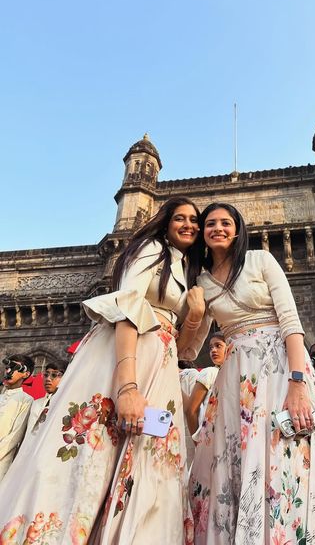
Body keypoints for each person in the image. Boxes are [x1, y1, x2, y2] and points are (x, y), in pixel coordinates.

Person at [0, 197, 205, 545]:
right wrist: (127, 386)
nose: (189, 225)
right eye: (180, 218)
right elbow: (127, 309)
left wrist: (197, 314)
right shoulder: (151, 249)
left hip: (162, 367)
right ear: (164, 223)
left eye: (195, 221)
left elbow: (185, 350)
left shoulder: (187, 268)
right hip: (126, 360)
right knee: (94, 453)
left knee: (147, 459)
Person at [188, 203, 315, 544]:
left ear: (238, 230)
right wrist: (194, 312)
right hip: (236, 380)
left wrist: (297, 384)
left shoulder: (261, 260)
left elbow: (291, 324)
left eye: (226, 222)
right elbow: (187, 349)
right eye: (210, 223)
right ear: (203, 233)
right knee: (235, 461)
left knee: (287, 461)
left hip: (281, 371)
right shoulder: (201, 282)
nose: (218, 228)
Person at [186, 331, 227, 440]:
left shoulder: (235, 377)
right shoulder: (210, 372)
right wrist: (197, 442)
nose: (213, 350)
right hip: (209, 439)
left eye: (218, 346)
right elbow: (191, 411)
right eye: (211, 348)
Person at [0, 354, 34, 481]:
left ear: (26, 373)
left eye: (14, 367)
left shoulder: (26, 400)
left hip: (3, 461)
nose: (9, 370)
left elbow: (15, 436)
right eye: (8, 366)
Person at [26, 359, 68, 433]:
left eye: (54, 375)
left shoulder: (68, 405)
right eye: (46, 375)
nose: (48, 379)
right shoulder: (35, 403)